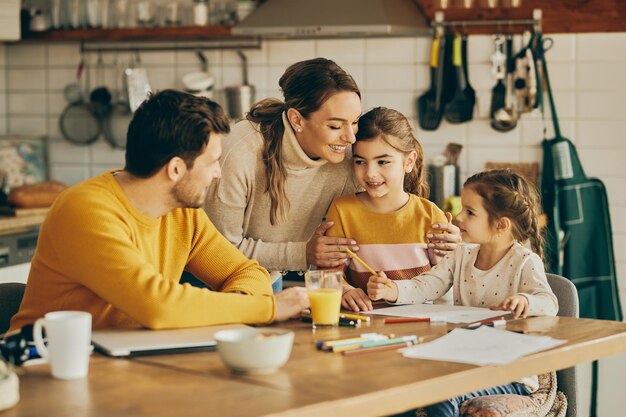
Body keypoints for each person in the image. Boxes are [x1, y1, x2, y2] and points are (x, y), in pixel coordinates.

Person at [9, 90, 308, 333]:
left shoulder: (181, 211)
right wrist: (270, 308)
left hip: (129, 362)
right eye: (211, 162)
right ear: (176, 169)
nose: (217, 173)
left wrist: (238, 308)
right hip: (45, 365)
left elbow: (245, 271)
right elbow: (158, 305)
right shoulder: (85, 210)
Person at [205, 58, 460, 291]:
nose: (350, 138)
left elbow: (386, 221)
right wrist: (303, 254)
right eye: (335, 126)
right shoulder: (240, 152)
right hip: (206, 278)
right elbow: (217, 250)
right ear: (296, 120)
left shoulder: (351, 158)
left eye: (355, 121)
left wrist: (448, 241)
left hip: (264, 278)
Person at [368, 169, 559, 417]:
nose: (458, 217)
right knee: (400, 388)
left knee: (442, 392)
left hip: (510, 372)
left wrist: (526, 300)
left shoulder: (524, 262)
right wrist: (392, 289)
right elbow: (426, 285)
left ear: (501, 225)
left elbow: (549, 303)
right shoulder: (461, 254)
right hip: (466, 364)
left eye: (470, 212)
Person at [324, 107, 448, 312]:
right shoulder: (342, 210)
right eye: (360, 162)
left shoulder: (431, 215)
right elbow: (329, 273)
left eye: (383, 162)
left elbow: (446, 279)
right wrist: (345, 290)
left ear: (408, 161)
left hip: (422, 322)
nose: (371, 173)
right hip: (363, 322)